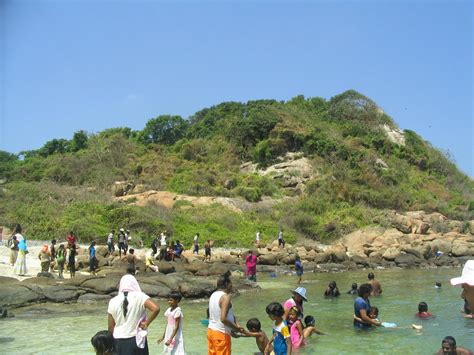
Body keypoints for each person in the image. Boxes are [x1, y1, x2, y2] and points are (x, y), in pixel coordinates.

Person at [108, 274, 160, 355]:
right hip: (136, 340)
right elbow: (156, 308)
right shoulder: (141, 296)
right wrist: (146, 323)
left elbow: (111, 327)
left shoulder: (113, 301)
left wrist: (111, 345)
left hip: (118, 340)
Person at [207, 271, 244, 354]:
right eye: (231, 283)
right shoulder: (225, 297)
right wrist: (235, 328)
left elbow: (227, 314)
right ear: (227, 284)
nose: (232, 286)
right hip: (221, 334)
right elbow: (223, 319)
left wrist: (233, 327)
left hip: (211, 331)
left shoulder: (213, 295)